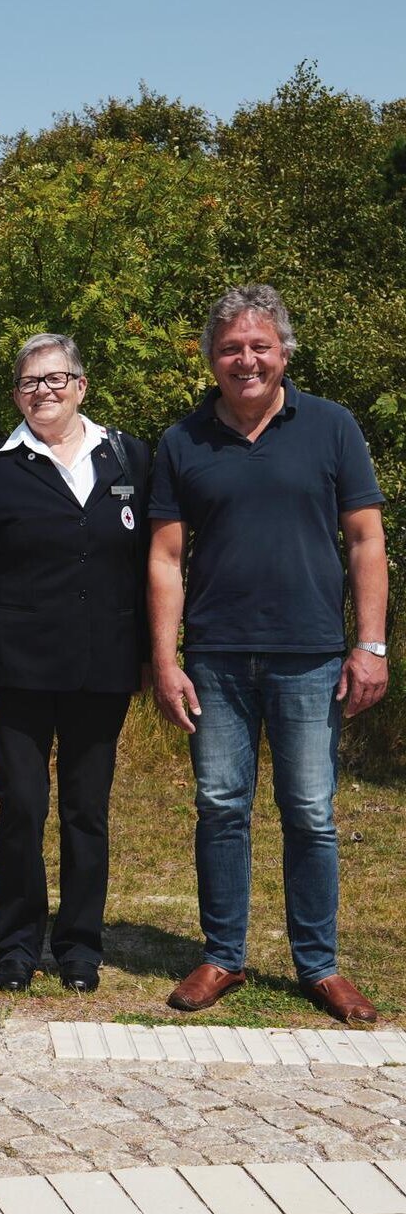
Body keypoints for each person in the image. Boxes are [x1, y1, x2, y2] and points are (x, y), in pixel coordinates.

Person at [150, 285, 389, 1023]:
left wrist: (370, 644)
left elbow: (365, 540)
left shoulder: (331, 426)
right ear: (210, 359)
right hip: (216, 658)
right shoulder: (180, 440)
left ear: (283, 350)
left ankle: (318, 965)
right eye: (229, 348)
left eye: (259, 345)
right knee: (220, 806)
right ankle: (223, 954)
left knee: (310, 812)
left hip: (312, 655)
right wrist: (164, 659)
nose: (245, 359)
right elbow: (164, 558)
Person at [0, 334, 150, 994]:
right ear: (15, 395)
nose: (44, 391)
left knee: (86, 812)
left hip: (103, 668)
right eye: (30, 382)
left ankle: (80, 946)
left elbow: (149, 565)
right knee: (23, 807)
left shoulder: (126, 457)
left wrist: (150, 655)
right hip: (18, 672)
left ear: (81, 385)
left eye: (56, 378)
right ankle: (14, 946)